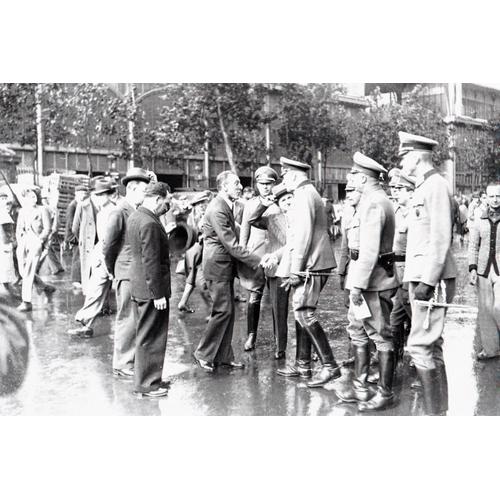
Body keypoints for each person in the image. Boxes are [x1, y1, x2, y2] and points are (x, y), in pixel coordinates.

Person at [334, 153, 399, 411]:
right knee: (358, 330)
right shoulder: (372, 201)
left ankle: (385, 393)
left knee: (380, 335)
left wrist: (357, 287)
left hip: (373, 283)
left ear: (362, 177)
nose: (349, 179)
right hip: (366, 281)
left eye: (352, 175)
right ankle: (360, 388)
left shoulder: (374, 203)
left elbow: (370, 251)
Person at [399, 131, 457, 416]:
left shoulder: (434, 186)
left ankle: (435, 416)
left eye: (403, 155)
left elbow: (440, 237)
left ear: (416, 155)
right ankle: (440, 413)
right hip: (423, 275)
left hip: (429, 278)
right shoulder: (426, 185)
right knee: (431, 345)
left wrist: (428, 280)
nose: (401, 160)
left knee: (420, 345)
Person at [276, 157, 340, 388]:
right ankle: (303, 363)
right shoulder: (308, 192)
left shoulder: (303, 195)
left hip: (312, 263)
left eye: (285, 175)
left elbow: (302, 236)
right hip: (314, 261)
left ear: (293, 175)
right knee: (300, 310)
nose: (284, 180)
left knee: (304, 311)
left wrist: (296, 269)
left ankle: (329, 366)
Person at [193, 171, 262, 372]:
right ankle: (203, 354)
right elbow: (231, 245)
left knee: (228, 312)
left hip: (223, 266)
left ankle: (223, 356)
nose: (240, 186)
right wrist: (258, 260)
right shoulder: (218, 208)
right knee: (222, 311)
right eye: (236, 183)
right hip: (217, 267)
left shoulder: (225, 205)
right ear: (223, 187)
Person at [102, 167, 154, 378]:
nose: (146, 195)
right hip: (125, 271)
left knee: (136, 317)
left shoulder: (137, 209)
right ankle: (122, 363)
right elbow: (108, 245)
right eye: (144, 191)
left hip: (136, 272)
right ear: (132, 189)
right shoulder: (119, 210)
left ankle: (130, 360)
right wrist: (113, 269)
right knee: (127, 318)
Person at [127, 181, 172, 398]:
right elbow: (151, 261)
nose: (167, 206)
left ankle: (149, 378)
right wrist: (158, 294)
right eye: (166, 201)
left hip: (138, 284)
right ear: (157, 199)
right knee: (152, 336)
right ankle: (148, 384)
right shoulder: (151, 223)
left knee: (144, 334)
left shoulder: (136, 216)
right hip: (151, 288)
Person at [247, 182, 292, 359]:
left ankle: (306, 348)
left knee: (301, 310)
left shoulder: (303, 217)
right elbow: (252, 220)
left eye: (290, 198)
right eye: (283, 200)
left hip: (297, 269)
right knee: (278, 309)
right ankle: (280, 347)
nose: (287, 202)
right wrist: (265, 204)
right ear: (278, 204)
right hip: (277, 269)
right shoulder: (272, 219)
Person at [68, 179, 117, 337]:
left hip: (106, 257)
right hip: (101, 255)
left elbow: (109, 242)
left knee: (97, 291)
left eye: (102, 195)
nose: (98, 198)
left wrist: (106, 263)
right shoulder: (105, 211)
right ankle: (85, 324)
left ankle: (85, 322)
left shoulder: (110, 212)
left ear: (108, 195)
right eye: (96, 195)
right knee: (96, 291)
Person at [239, 166, 279, 352]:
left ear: (274, 184)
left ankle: (279, 337)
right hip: (255, 256)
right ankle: (251, 336)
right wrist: (243, 258)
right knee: (254, 298)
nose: (265, 187)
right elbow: (244, 235)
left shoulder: (279, 203)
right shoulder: (250, 204)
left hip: (275, 256)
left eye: (269, 184)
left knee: (278, 299)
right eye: (261, 183)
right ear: (256, 184)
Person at [468, 183, 500, 361]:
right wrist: (472, 268)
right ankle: (491, 349)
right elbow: (473, 245)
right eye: (492, 196)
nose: (495, 200)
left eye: (498, 196)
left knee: (498, 307)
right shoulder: (479, 219)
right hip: (483, 269)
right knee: (486, 310)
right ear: (486, 197)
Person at [388, 169, 415, 369]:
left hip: (410, 269)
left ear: (411, 191)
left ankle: (417, 358)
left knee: (414, 314)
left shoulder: (415, 213)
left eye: (400, 188)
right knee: (395, 317)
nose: (395, 192)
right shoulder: (394, 210)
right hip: (394, 270)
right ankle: (396, 358)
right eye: (393, 188)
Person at [15, 186, 56, 312]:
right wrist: (19, 240)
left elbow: (47, 228)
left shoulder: (42, 210)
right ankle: (45, 287)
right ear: (25, 199)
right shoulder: (22, 211)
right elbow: (19, 228)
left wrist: (40, 240)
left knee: (28, 271)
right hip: (23, 242)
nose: (33, 199)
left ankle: (26, 302)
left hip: (36, 241)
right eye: (30, 197)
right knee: (23, 272)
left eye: (34, 196)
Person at [177, 191, 212, 314]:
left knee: (192, 279)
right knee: (199, 281)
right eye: (200, 204)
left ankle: (183, 302)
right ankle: (212, 311)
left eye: (204, 203)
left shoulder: (204, 216)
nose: (203, 206)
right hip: (196, 252)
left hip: (198, 253)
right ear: (195, 206)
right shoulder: (192, 218)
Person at [64, 185, 88, 288]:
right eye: (81, 193)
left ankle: (80, 279)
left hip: (78, 234)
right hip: (74, 235)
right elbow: (71, 223)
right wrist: (78, 236)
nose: (83, 195)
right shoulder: (73, 205)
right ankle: (75, 280)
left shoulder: (80, 204)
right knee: (77, 256)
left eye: (84, 193)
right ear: (76, 194)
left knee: (79, 256)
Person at [0, 189, 19, 299]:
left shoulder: (5, 212)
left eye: (4, 199)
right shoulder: (2, 214)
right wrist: (9, 244)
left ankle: (7, 290)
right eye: (1, 199)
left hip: (6, 244)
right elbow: (4, 232)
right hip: (5, 245)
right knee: (5, 268)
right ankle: (6, 292)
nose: (3, 201)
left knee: (7, 268)